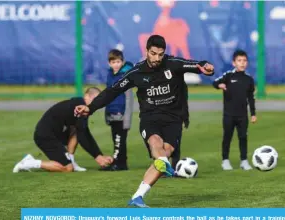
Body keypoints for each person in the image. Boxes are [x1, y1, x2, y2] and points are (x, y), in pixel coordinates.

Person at [74, 35, 214, 207]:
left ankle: (137, 197)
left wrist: (206, 67)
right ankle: (163, 163)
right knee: (156, 142)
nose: (157, 58)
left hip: (173, 119)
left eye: (160, 54)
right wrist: (91, 108)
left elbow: (196, 65)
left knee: (166, 151)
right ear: (146, 51)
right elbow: (112, 91)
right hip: (150, 118)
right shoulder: (136, 72)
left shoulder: (173, 63)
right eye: (153, 53)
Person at [13, 87, 113, 173]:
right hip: (45, 136)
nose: (97, 103)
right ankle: (29, 163)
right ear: (86, 96)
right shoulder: (79, 106)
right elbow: (83, 135)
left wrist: (99, 154)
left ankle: (72, 161)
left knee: (76, 130)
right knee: (67, 168)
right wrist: (98, 157)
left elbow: (83, 131)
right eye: (94, 99)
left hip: (55, 133)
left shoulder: (79, 105)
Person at [212, 50, 257, 171]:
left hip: (242, 116)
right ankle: (225, 160)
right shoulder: (228, 76)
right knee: (227, 137)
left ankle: (244, 161)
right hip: (229, 115)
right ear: (234, 63)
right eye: (239, 60)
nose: (242, 63)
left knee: (243, 137)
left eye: (244, 61)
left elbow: (251, 98)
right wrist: (219, 85)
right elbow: (215, 82)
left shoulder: (249, 79)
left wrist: (253, 114)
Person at [100, 49, 134, 171]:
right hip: (112, 114)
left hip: (121, 115)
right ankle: (121, 163)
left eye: (118, 61)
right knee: (116, 139)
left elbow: (129, 98)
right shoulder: (110, 76)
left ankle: (118, 163)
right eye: (113, 62)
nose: (116, 64)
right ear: (109, 63)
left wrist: (127, 119)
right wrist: (106, 115)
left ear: (122, 62)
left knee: (119, 140)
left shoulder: (125, 77)